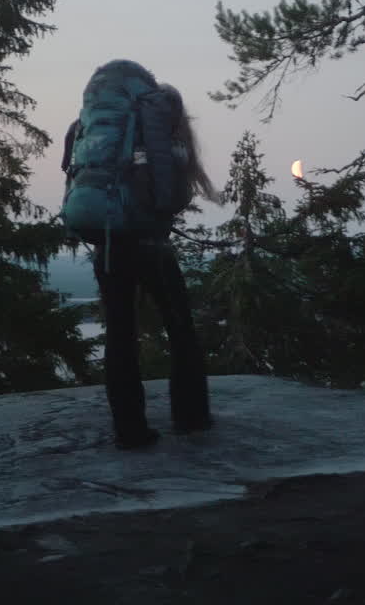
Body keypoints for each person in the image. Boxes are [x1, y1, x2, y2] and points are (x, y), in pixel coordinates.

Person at [61, 61, 221, 450]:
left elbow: (70, 169)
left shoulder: (89, 124)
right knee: (179, 327)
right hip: (149, 242)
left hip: (107, 242)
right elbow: (173, 192)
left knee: (119, 333)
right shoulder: (157, 116)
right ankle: (191, 417)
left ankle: (129, 431)